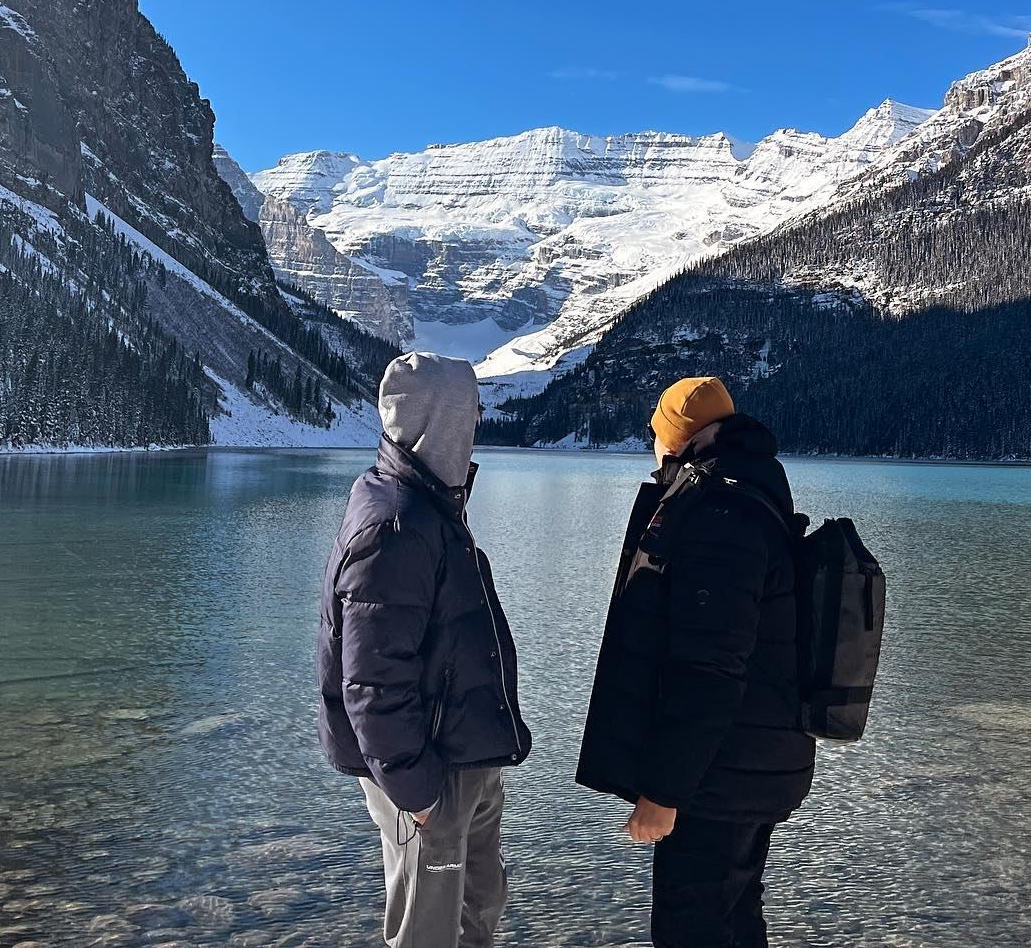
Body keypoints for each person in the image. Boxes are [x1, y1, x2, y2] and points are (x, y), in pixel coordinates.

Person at [576, 376, 815, 948]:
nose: (653, 446)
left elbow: (710, 666)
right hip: (753, 764)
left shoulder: (717, 513)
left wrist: (664, 792)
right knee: (733, 921)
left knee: (694, 930)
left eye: (656, 433)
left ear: (676, 435)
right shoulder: (754, 492)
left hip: (718, 778)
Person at [318, 352, 532, 948]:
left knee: (478, 909)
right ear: (438, 422)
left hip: (464, 757)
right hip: (429, 770)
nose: (476, 428)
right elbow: (372, 684)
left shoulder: (430, 508)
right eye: (469, 415)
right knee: (426, 934)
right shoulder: (396, 526)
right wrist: (418, 793)